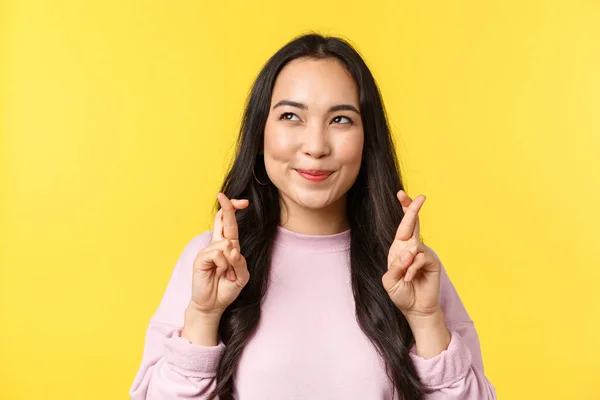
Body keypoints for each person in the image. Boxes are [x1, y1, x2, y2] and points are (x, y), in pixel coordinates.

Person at [129, 33, 496, 400]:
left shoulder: (408, 268)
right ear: (260, 133)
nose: (316, 146)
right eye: (291, 116)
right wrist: (204, 315)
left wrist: (426, 318)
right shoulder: (209, 261)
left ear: (368, 139)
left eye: (340, 119)